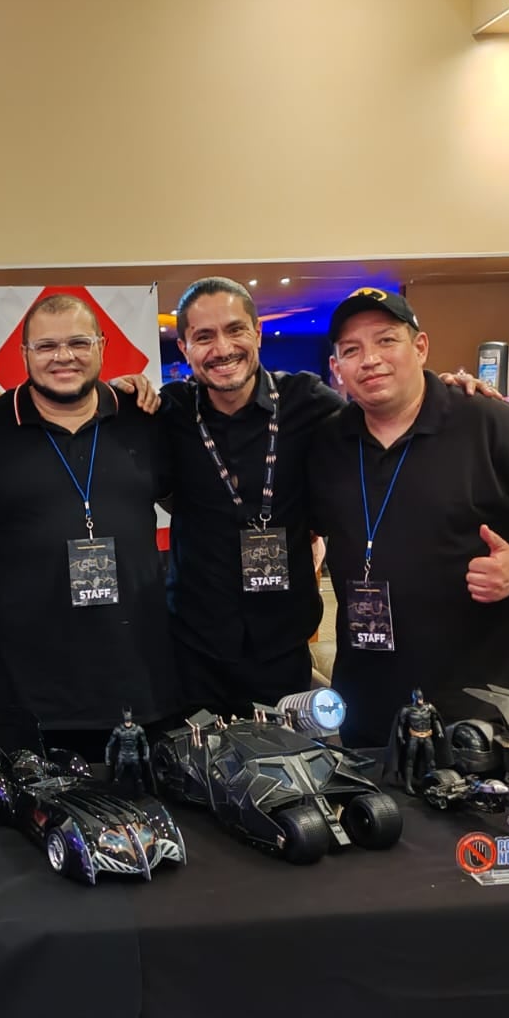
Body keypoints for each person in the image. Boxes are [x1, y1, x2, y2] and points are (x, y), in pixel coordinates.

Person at [307, 288, 509, 756]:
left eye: (386, 341)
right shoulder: (329, 441)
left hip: (479, 695)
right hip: (368, 689)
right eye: (352, 350)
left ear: (420, 347)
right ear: (337, 368)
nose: (370, 360)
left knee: (481, 824)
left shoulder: (486, 420)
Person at [0, 292, 176, 758]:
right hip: (20, 697)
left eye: (78, 342)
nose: (64, 357)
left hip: (136, 690)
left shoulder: (145, 419)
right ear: (25, 354)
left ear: (102, 345)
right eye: (46, 346)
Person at [160, 277, 346, 714]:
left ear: (258, 332)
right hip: (193, 643)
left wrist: (446, 392)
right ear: (184, 349)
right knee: (196, 772)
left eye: (235, 330)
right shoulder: (169, 412)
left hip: (282, 641)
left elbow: (387, 417)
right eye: (203, 336)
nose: (222, 348)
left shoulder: (308, 401)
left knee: (288, 773)